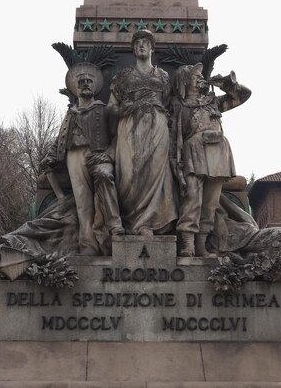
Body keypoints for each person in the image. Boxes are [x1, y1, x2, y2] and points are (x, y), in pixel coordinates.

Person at [41, 62, 123, 255]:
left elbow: (116, 135)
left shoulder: (103, 109)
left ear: (95, 87)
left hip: (99, 154)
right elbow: (60, 140)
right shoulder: (70, 114)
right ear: (75, 88)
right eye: (81, 82)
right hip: (74, 156)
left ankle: (113, 229)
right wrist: (50, 158)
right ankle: (88, 246)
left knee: (104, 181)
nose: (86, 84)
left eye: (89, 81)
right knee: (82, 204)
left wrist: (110, 154)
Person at [170, 63, 251, 257]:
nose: (200, 78)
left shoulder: (213, 102)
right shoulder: (179, 105)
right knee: (192, 197)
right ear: (184, 81)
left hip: (218, 153)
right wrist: (175, 163)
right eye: (195, 76)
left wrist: (227, 85)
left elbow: (244, 95)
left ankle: (201, 244)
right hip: (194, 152)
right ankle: (187, 243)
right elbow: (174, 137)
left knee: (210, 202)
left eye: (200, 75)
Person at [108, 30, 177, 235]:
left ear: (152, 48)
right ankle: (131, 221)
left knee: (156, 170)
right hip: (129, 126)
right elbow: (111, 105)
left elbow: (168, 104)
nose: (141, 46)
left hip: (157, 128)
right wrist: (121, 110)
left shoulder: (163, 76)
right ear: (133, 49)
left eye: (145, 43)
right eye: (137, 43)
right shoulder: (123, 76)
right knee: (130, 173)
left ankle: (152, 222)